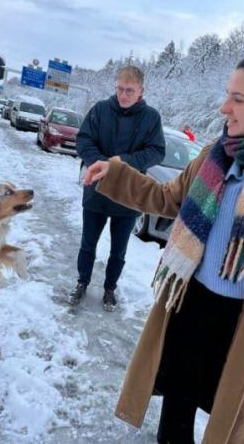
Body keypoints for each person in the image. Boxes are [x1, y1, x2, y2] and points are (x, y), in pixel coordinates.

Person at [83, 48, 244, 443]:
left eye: (238, 99)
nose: (225, 107)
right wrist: (115, 173)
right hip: (190, 303)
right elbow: (168, 199)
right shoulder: (216, 154)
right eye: (227, 94)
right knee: (175, 411)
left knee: (227, 426)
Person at [69, 65, 165, 312]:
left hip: (128, 196)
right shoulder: (100, 110)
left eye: (129, 91)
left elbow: (156, 151)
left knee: (118, 249)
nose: (123, 95)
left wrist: (118, 164)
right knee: (87, 243)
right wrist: (98, 162)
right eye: (120, 89)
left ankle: (110, 288)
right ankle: (82, 281)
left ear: (141, 91)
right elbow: (83, 140)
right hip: (96, 191)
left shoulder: (151, 118)